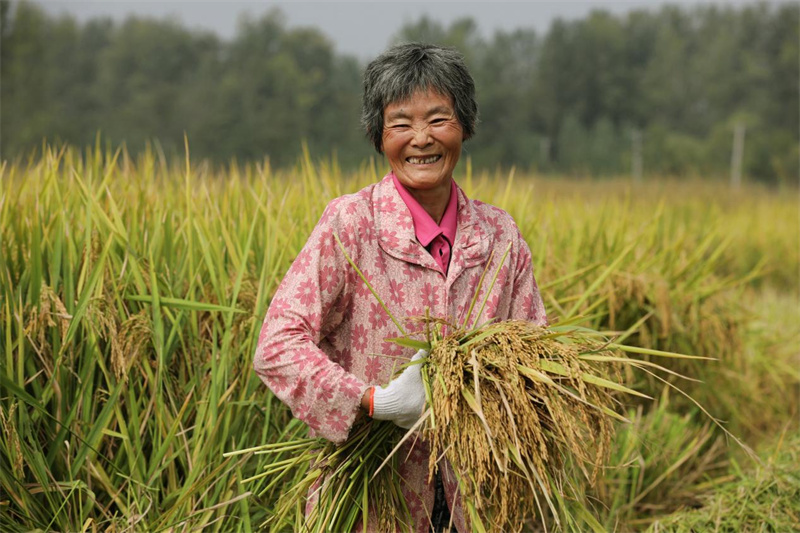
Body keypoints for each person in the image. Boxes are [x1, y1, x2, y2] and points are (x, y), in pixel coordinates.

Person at [254, 43, 546, 533]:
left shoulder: (499, 237)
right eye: (401, 123)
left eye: (438, 119)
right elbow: (277, 345)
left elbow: (533, 357)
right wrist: (373, 401)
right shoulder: (350, 226)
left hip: (479, 501)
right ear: (377, 135)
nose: (421, 139)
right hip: (371, 498)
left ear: (465, 126)